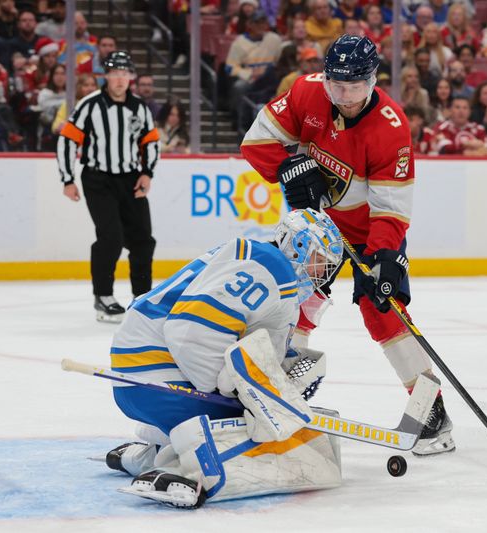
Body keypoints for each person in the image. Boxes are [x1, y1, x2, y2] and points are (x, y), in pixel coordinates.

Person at [240, 35, 454, 457]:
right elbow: (255, 142)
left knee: (381, 310)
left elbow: (390, 208)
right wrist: (288, 167)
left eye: (356, 87)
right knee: (292, 298)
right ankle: (279, 390)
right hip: (316, 226)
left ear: (373, 80)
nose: (346, 97)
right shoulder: (306, 91)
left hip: (367, 230)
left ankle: (432, 411)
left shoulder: (391, 128)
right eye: (338, 86)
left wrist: (384, 256)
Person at [104, 208, 344, 508]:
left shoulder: (255, 258)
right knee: (264, 427)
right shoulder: (272, 270)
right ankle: (179, 469)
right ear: (297, 247)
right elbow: (191, 332)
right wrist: (239, 393)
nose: (321, 274)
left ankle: (149, 452)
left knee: (261, 415)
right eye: (318, 260)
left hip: (141, 380)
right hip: (156, 381)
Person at [56, 51, 160, 323]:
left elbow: (150, 141)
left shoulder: (140, 107)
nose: (120, 79)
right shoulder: (90, 105)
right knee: (111, 237)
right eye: (115, 73)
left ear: (131, 77)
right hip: (98, 180)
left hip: (131, 179)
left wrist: (147, 173)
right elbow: (67, 140)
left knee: (143, 240)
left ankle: (142, 297)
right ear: (106, 76)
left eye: (125, 73)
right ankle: (103, 296)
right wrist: (68, 178)